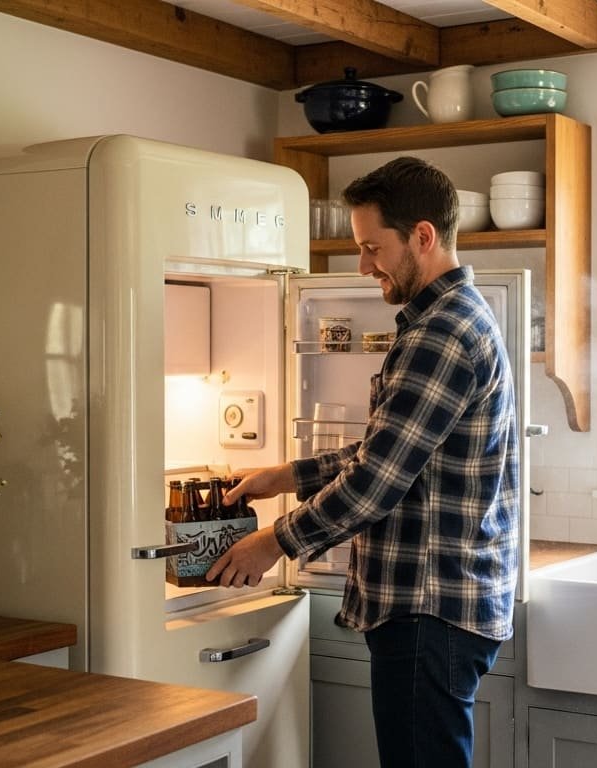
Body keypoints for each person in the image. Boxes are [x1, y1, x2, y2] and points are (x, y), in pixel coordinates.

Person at [207, 156, 520, 768]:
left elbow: (377, 482)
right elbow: (392, 451)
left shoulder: (442, 332)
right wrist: (286, 476)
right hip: (436, 604)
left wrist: (274, 541)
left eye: (373, 247)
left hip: (426, 607)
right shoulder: (448, 321)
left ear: (422, 237)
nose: (364, 264)